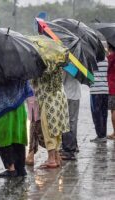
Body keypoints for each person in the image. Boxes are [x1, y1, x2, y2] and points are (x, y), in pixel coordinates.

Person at [30, 37, 70, 168]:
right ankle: (57, 157)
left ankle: (51, 159)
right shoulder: (58, 63)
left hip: (49, 102)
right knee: (57, 129)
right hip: (60, 99)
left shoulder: (43, 68)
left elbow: (35, 83)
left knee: (49, 130)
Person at [0, 80, 33, 177]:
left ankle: (11, 168)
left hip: (1, 108)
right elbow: (26, 88)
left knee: (4, 138)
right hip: (18, 107)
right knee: (17, 137)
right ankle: (20, 168)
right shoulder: (20, 68)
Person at [61, 73, 81, 160]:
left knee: (67, 123)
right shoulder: (80, 63)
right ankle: (74, 145)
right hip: (76, 94)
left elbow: (61, 80)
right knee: (73, 122)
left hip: (67, 94)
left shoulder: (67, 64)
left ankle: (69, 150)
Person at [89, 58, 109, 143]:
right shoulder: (106, 60)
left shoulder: (91, 60)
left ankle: (100, 136)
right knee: (104, 114)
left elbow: (88, 75)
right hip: (105, 90)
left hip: (95, 91)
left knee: (96, 115)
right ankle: (103, 135)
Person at [25, 94, 46, 166]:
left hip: (35, 94)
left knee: (35, 121)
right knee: (36, 121)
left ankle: (54, 151)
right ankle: (54, 151)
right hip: (38, 94)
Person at [106, 42, 115, 140]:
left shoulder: (111, 58)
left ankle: (114, 133)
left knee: (113, 110)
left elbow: (106, 69)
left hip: (112, 87)